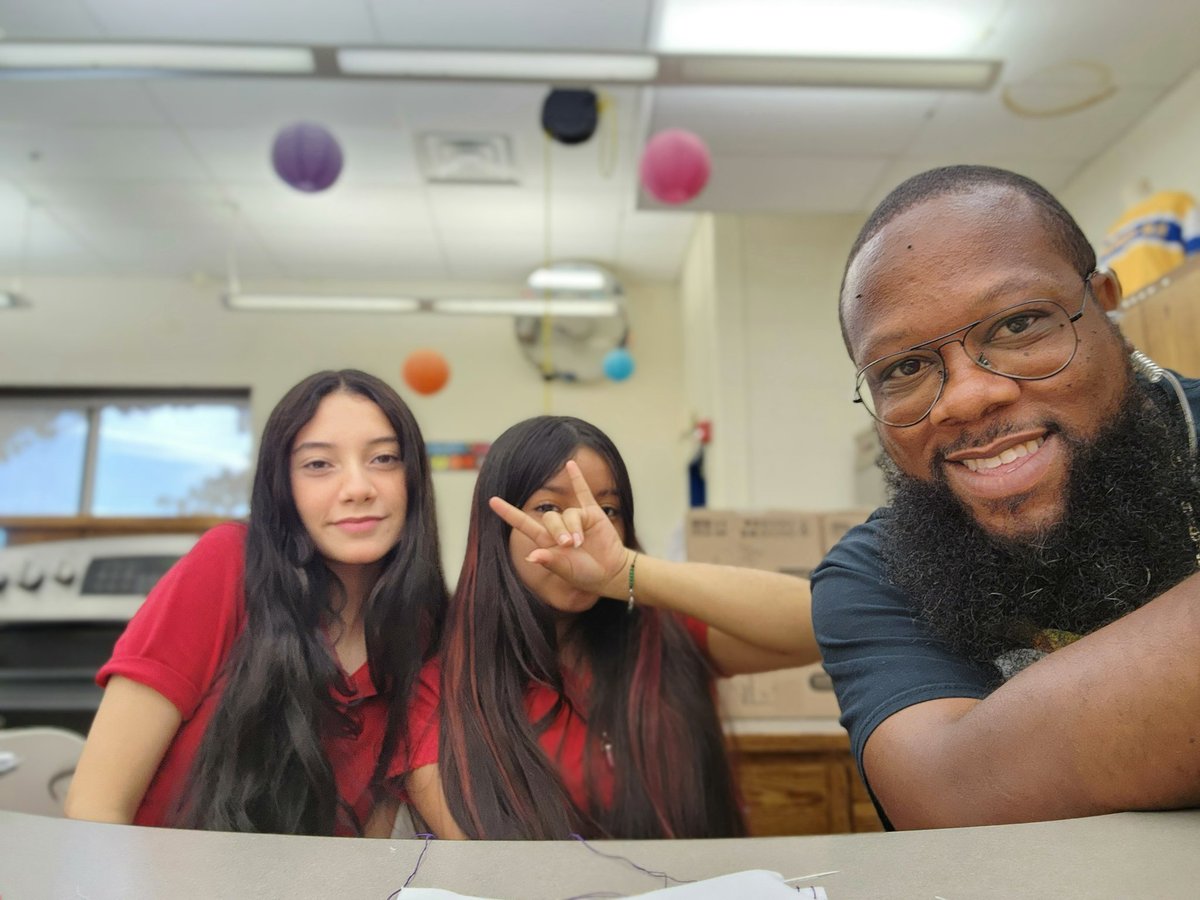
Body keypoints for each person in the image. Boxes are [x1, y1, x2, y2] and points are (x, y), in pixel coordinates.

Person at [812, 164, 1200, 831]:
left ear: (1105, 303)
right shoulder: (874, 572)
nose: (967, 396)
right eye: (903, 368)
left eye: (1018, 325)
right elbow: (949, 793)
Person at [65, 369, 447, 836]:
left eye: (384, 458)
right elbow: (94, 808)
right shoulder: (226, 564)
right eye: (318, 465)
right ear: (283, 488)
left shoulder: (427, 624)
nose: (358, 487)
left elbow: (374, 840)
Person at [404, 415, 817, 840]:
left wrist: (625, 571)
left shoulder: (665, 633)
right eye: (548, 507)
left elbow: (822, 624)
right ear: (497, 530)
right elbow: (482, 859)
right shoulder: (444, 681)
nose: (580, 530)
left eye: (607, 510)